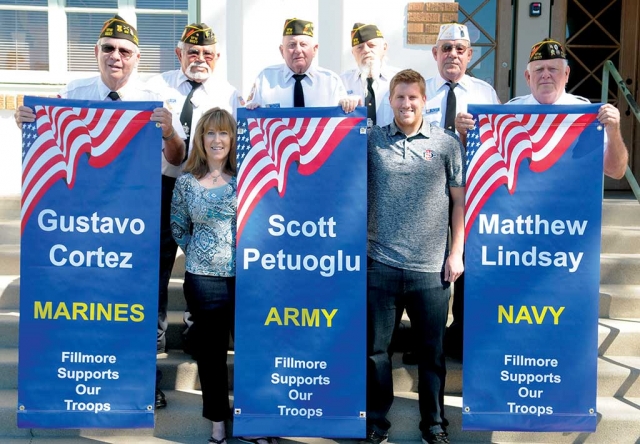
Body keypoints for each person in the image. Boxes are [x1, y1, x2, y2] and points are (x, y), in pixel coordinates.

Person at [14, 14, 186, 409]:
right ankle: (78, 372)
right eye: (108, 49)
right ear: (95, 53)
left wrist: (169, 131)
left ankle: (145, 379)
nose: (115, 57)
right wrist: (26, 122)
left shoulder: (156, 94)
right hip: (84, 216)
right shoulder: (75, 91)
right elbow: (47, 140)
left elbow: (176, 161)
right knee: (85, 293)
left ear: (137, 58)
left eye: (124, 51)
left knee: (145, 299)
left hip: (142, 212)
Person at [363, 69, 465, 444]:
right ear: (390, 100)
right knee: (376, 353)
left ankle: (434, 426)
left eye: (413, 98)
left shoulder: (446, 142)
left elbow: (459, 202)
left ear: (424, 101)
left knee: (432, 355)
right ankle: (376, 422)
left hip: (432, 269)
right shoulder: (371, 141)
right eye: (400, 97)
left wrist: (456, 253)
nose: (406, 104)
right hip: (380, 264)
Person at [146, 22, 244, 359]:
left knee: (203, 263)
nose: (199, 58)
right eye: (192, 52)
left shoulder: (231, 95)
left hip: (209, 188)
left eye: (207, 54)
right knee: (157, 265)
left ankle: (196, 330)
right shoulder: (154, 86)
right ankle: (155, 338)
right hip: (164, 184)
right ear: (179, 53)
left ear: (217, 57)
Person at [421, 23, 501, 362]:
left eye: (459, 49)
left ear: (469, 55)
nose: (452, 54)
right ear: (435, 54)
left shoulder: (485, 93)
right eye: (446, 48)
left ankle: (461, 338)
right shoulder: (419, 91)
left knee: (466, 267)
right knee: (427, 271)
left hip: (472, 194)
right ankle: (426, 340)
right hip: (424, 193)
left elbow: (499, 145)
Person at [171, 107, 244, 444]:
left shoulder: (247, 176)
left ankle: (253, 419)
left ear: (233, 138)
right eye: (210, 133)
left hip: (247, 279)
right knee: (211, 355)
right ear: (200, 139)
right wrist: (204, 254)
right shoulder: (186, 183)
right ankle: (217, 421)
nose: (217, 140)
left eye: (224, 133)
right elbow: (178, 228)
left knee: (250, 351)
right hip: (203, 280)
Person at [490, 38, 628, 179]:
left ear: (566, 74)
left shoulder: (587, 115)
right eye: (539, 70)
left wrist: (614, 132)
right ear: (527, 77)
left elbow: (616, 172)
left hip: (573, 200)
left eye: (553, 69)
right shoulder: (510, 113)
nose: (545, 75)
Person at [246, 18, 357, 112]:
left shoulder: (330, 82)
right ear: (282, 51)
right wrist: (253, 110)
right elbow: (250, 119)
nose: (298, 50)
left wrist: (348, 104)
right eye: (292, 45)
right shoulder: (266, 79)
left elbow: (344, 123)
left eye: (303, 44)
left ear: (314, 49)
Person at [341, 23, 399, 127]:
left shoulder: (399, 79)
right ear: (353, 53)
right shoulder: (343, 82)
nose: (366, 50)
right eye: (359, 47)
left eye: (371, 45)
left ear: (384, 48)